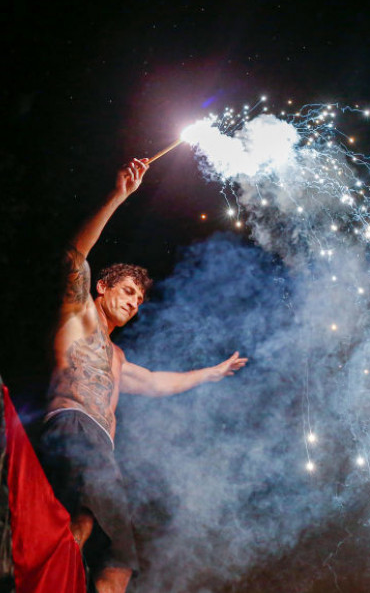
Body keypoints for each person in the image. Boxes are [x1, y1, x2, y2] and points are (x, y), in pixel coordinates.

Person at [38, 157, 248, 592]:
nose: (134, 303)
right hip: (73, 426)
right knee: (82, 520)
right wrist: (119, 195)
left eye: (139, 301)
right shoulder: (78, 316)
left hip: (102, 447)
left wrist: (210, 373)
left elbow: (154, 382)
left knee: (120, 562)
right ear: (102, 287)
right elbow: (74, 255)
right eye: (128, 292)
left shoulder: (117, 354)